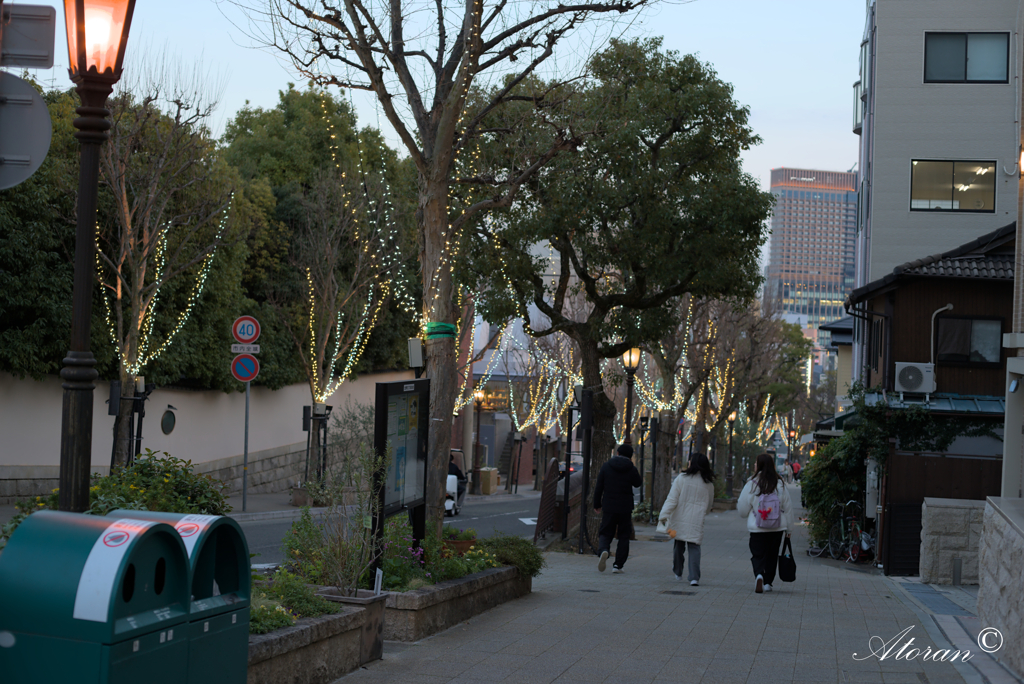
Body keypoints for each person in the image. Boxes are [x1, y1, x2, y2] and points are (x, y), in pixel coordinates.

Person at [737, 452, 794, 594]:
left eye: (756, 463)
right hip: (777, 527)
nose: (755, 465)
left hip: (757, 527)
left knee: (757, 554)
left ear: (760, 465)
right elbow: (788, 508)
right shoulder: (779, 483)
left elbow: (742, 510)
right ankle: (768, 582)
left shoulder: (752, 483)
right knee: (772, 554)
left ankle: (759, 575)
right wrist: (789, 530)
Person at [658, 452, 715, 586]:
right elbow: (709, 505)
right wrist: (703, 513)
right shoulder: (708, 484)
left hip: (679, 518)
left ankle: (678, 571)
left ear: (692, 463)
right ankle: (694, 577)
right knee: (694, 547)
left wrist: (663, 515)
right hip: (697, 520)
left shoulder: (682, 478)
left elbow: (672, 499)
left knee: (678, 546)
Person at [593, 444, 642, 573]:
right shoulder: (631, 468)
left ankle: (603, 550)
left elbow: (599, 486)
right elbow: (638, 483)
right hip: (625, 506)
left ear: (618, 453)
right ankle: (618, 565)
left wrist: (596, 504)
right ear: (630, 456)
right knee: (624, 535)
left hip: (609, 505)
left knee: (605, 531)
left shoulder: (607, 466)